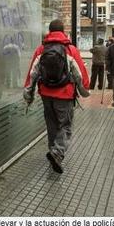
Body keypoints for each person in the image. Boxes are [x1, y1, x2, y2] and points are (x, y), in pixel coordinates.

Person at [23, 19, 89, 174]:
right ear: (63, 31)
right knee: (65, 125)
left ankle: (53, 151)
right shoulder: (70, 49)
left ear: (50, 31)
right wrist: (84, 90)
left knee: (51, 125)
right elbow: (80, 75)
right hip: (64, 95)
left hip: (46, 94)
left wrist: (28, 95)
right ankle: (57, 153)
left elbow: (32, 74)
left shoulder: (41, 49)